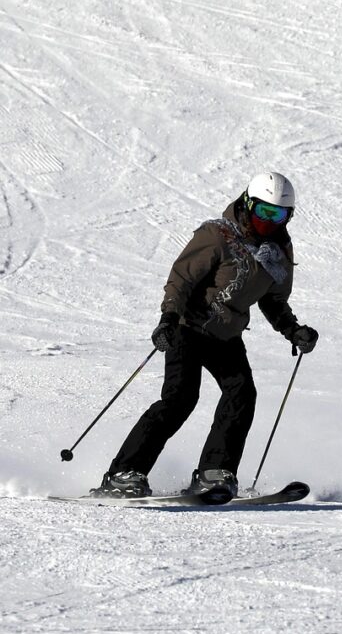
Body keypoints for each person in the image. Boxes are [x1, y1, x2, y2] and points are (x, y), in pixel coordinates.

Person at [91, 172, 319, 499]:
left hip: (225, 335)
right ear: (247, 203)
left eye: (278, 214)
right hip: (188, 327)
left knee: (241, 394)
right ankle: (124, 473)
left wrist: (293, 330)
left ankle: (215, 473)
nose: (269, 221)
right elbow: (181, 279)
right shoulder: (217, 235)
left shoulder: (278, 249)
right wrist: (168, 319)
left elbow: (273, 300)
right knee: (180, 398)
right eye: (263, 211)